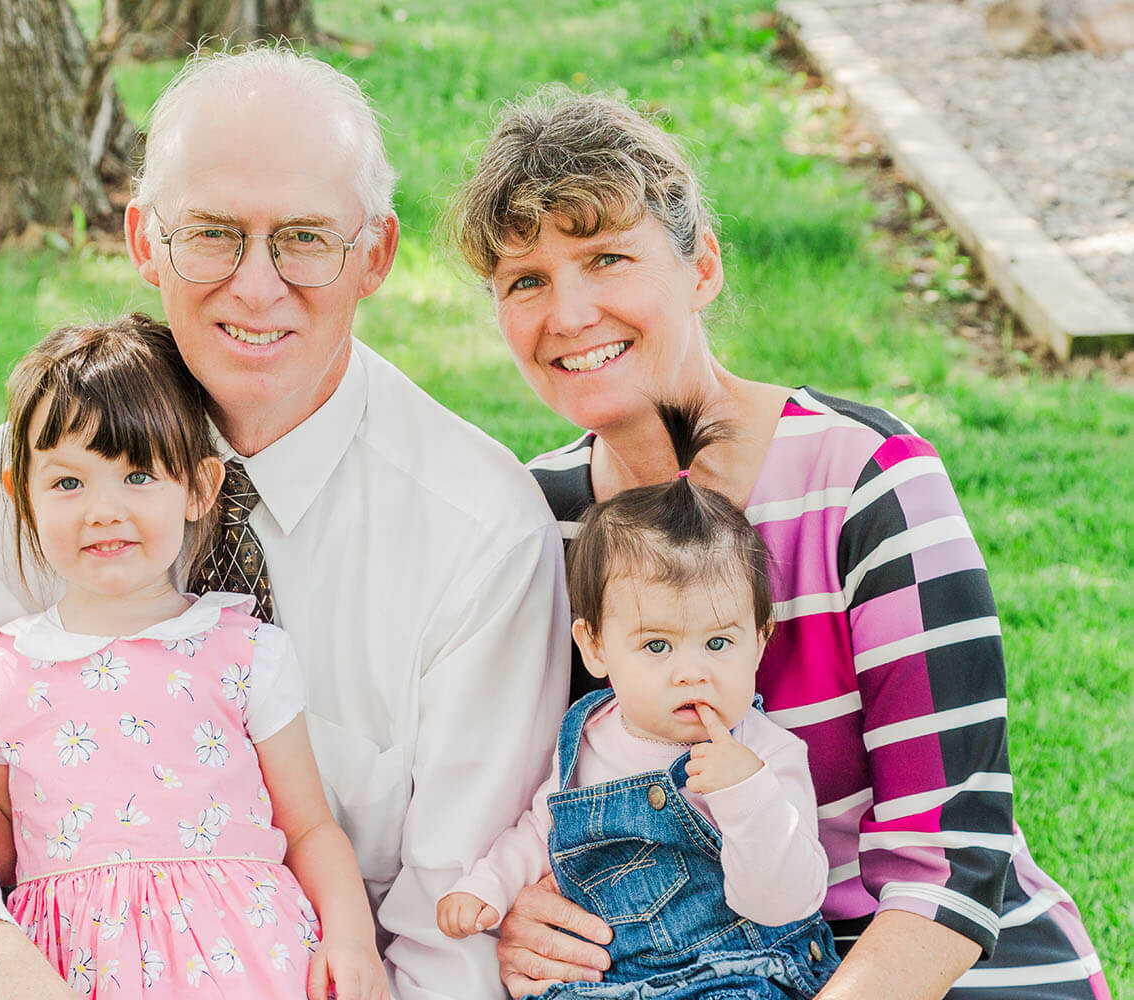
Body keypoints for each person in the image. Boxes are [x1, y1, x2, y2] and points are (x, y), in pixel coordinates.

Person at [0, 48, 569, 1000]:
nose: (255, 285)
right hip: (58, 962)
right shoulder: (55, 466)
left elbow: (452, 934)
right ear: (143, 240)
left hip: (308, 975)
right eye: (211, 234)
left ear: (374, 255)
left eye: (304, 238)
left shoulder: (478, 530)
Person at [445, 87, 1108, 1000]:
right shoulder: (534, 519)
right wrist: (522, 914)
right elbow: (533, 803)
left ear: (703, 267)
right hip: (673, 967)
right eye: (527, 281)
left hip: (921, 960)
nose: (569, 314)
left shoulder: (869, 480)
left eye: (606, 259)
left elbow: (948, 870)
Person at [0, 315, 386, 999]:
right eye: (68, 484)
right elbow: (8, 852)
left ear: (198, 488)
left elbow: (308, 826)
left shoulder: (242, 652)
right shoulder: (8, 669)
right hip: (73, 964)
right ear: (22, 498)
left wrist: (349, 937)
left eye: (137, 477)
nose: (103, 510)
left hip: (242, 955)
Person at [437, 402, 839, 999]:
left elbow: (784, 901)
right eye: (656, 646)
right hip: (608, 979)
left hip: (739, 972)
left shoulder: (764, 756)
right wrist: (486, 886)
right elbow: (538, 830)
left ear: (760, 642)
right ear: (595, 648)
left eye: (719, 642)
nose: (691, 672)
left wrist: (746, 796)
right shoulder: (589, 735)